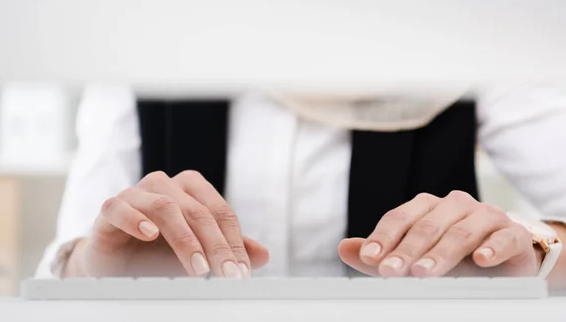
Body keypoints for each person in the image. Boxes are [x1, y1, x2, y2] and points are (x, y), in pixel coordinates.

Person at [36, 83, 566, 289]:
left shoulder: (465, 34)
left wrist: (532, 252)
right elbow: (60, 270)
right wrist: (95, 268)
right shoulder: (146, 42)